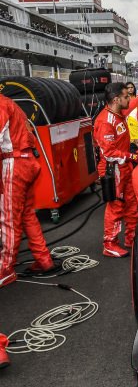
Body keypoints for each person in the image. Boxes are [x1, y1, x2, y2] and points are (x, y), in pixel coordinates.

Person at [0, 94, 55, 288]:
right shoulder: (11, 104)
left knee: (9, 218)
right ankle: (43, 258)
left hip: (14, 163)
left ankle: (6, 269)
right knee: (26, 214)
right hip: (28, 161)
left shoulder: (1, 106)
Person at [93, 83, 138, 257]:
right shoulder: (105, 121)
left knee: (131, 204)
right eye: (126, 96)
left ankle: (132, 236)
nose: (129, 98)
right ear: (116, 99)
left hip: (124, 167)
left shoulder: (119, 115)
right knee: (116, 207)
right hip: (112, 169)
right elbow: (109, 152)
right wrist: (133, 157)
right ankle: (109, 243)